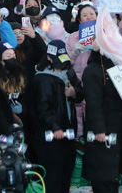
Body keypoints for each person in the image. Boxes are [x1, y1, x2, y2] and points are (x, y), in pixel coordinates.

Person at [25, 39, 84, 193]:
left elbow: (81, 93)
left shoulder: (69, 73)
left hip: (67, 133)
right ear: (49, 58)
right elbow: (43, 108)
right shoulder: (41, 78)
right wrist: (55, 127)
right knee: (53, 175)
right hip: (48, 136)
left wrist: (74, 92)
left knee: (66, 170)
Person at [81, 41, 122, 193]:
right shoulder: (92, 71)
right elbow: (93, 103)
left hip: (118, 128)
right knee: (102, 176)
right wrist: (99, 129)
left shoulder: (119, 70)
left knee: (113, 177)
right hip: (103, 132)